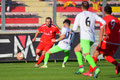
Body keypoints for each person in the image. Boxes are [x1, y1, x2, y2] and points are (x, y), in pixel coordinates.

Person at [83, 5, 120, 77]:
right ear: (111, 12)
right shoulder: (117, 20)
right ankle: (117, 65)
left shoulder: (104, 19)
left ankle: (90, 72)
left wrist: (99, 43)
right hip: (116, 42)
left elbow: (102, 32)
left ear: (104, 11)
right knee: (106, 56)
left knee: (95, 53)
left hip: (107, 41)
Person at [72, 1, 106, 78]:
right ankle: (81, 67)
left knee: (86, 54)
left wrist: (75, 29)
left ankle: (96, 68)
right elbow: (103, 22)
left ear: (81, 7)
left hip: (84, 37)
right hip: (91, 37)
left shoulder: (79, 15)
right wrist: (105, 31)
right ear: (89, 7)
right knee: (76, 49)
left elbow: (74, 28)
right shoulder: (93, 14)